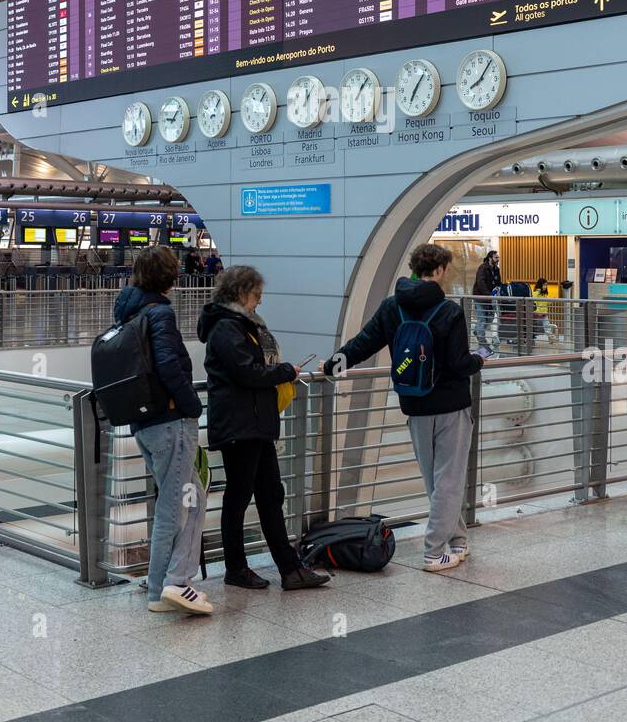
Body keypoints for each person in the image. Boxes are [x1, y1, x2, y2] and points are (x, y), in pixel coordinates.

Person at [322, 243, 490, 574]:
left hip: (413, 403)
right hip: (450, 405)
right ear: (440, 270)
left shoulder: (392, 307)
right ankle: (433, 551)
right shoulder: (448, 311)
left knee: (437, 480)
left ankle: (457, 541)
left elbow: (363, 343)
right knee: (450, 479)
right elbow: (459, 364)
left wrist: (333, 365)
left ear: (414, 267)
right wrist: (479, 359)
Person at [198, 266, 330, 591]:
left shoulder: (240, 326)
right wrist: (284, 371)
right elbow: (247, 373)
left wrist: (278, 371)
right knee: (240, 496)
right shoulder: (227, 328)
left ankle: (289, 568)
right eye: (256, 294)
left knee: (269, 494)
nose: (260, 300)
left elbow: (251, 370)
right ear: (241, 293)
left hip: (253, 424)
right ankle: (239, 568)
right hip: (239, 426)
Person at [114, 246, 212, 617]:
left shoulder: (127, 311)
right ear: (171, 277)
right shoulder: (161, 313)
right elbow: (170, 366)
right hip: (171, 423)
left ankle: (168, 577)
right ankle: (166, 587)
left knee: (193, 499)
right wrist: (192, 407)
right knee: (176, 506)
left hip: (145, 422)